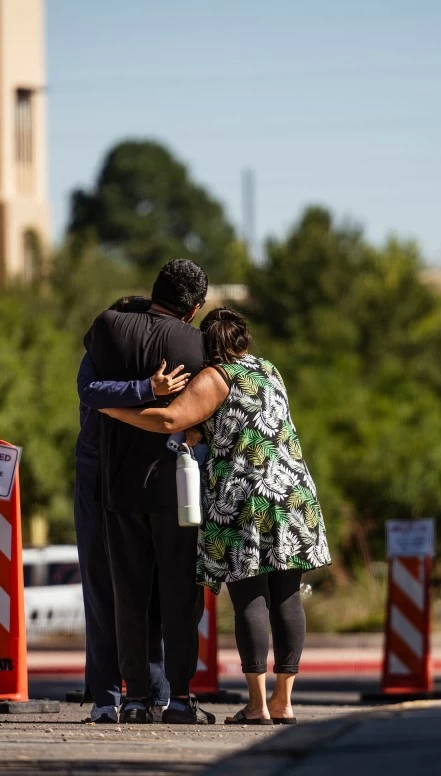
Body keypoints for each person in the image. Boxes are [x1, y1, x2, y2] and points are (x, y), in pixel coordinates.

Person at [101, 307, 332, 725]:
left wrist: (113, 408)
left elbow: (170, 418)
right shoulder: (268, 369)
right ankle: (284, 701)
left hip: (245, 499)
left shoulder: (215, 377)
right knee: (287, 596)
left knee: (250, 598)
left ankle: (258, 705)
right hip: (295, 493)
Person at [84, 259, 214, 724]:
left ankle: (135, 698)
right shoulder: (197, 344)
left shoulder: (107, 326)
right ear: (194, 308)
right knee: (180, 596)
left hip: (117, 485)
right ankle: (179, 699)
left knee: (128, 594)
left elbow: (89, 389)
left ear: (152, 289)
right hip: (177, 490)